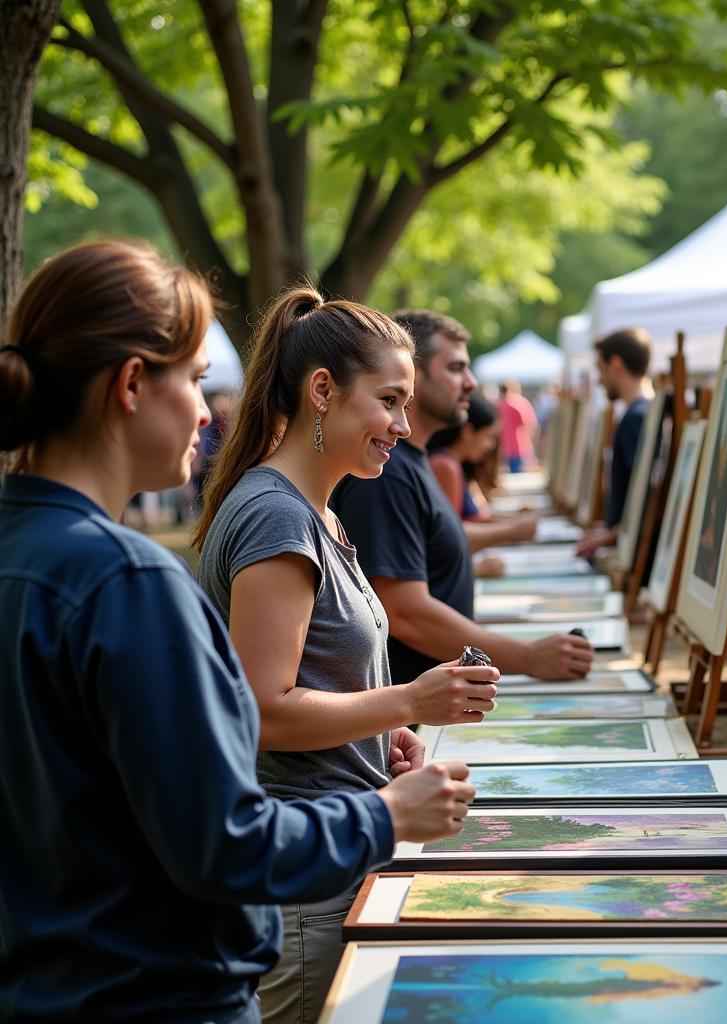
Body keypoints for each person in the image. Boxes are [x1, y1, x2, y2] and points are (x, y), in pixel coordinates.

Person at [0, 240, 475, 1024]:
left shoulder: (32, 555)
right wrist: (388, 814)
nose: (203, 409)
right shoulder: (128, 582)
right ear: (129, 386)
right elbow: (224, 841)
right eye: (193, 380)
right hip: (158, 992)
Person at [192, 289, 498, 1023]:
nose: (401, 424)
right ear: (322, 390)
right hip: (302, 882)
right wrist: (409, 702)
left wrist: (380, 732)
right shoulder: (277, 515)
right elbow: (264, 712)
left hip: (330, 857)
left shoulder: (314, 508)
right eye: (389, 401)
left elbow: (308, 679)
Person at [331, 309, 594, 685]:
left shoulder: (410, 463)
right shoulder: (385, 473)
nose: (470, 383)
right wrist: (528, 657)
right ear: (412, 375)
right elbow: (406, 612)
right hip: (413, 722)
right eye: (455, 368)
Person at [576, 327, 655, 558]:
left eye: (601, 369)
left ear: (616, 365)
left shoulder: (635, 418)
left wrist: (609, 537)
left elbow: (645, 501)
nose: (600, 380)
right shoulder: (643, 413)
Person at [427, 391, 539, 548]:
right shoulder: (444, 465)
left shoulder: (455, 464)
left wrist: (514, 523)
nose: (490, 445)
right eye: (488, 436)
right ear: (468, 432)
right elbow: (450, 534)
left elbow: (473, 519)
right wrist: (511, 529)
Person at [496, 378, 536, 472]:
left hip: (505, 448)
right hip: (522, 447)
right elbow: (531, 425)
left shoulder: (499, 406)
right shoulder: (521, 403)